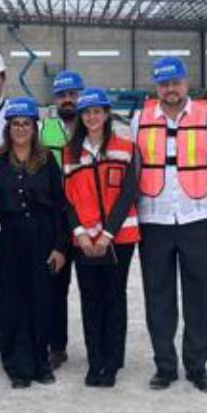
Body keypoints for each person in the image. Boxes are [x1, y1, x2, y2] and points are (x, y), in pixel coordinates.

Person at [130, 57, 207, 393]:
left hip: (198, 219)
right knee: (158, 297)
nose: (170, 89)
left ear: (185, 83)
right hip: (154, 220)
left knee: (200, 296)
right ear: (156, 87)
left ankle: (197, 366)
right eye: (164, 84)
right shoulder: (139, 119)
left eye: (175, 83)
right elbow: (133, 169)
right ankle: (165, 366)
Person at [63, 88, 139, 387]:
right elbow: (66, 198)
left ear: (107, 114)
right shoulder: (70, 153)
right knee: (90, 299)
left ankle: (112, 362)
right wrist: (80, 233)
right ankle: (95, 362)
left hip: (119, 238)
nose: (92, 117)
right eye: (86, 112)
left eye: (97, 111)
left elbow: (129, 193)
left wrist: (107, 234)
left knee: (114, 298)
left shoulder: (126, 148)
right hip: (84, 240)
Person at [0, 97, 68, 388]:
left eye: (26, 124)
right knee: (11, 302)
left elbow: (60, 205)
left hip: (42, 238)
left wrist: (60, 246)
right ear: (8, 128)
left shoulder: (47, 161)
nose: (21, 129)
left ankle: (40, 361)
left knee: (41, 300)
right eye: (15, 124)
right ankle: (17, 365)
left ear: (34, 128)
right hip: (8, 240)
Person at [41, 70, 84, 370]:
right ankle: (56, 347)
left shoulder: (94, 125)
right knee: (55, 287)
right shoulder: (45, 129)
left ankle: (98, 346)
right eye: (62, 95)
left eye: (73, 94)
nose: (68, 100)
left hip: (88, 218)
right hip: (57, 219)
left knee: (94, 288)